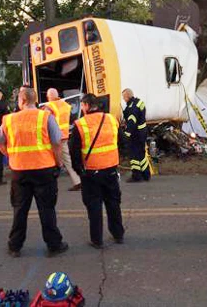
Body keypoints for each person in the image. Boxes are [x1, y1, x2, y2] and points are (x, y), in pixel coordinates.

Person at [0, 87, 68, 258]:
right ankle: (54, 244)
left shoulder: (9, 119)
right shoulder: (45, 117)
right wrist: (58, 161)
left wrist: (11, 155)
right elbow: (57, 141)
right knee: (47, 209)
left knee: (20, 209)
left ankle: (15, 246)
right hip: (44, 169)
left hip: (20, 170)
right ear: (34, 100)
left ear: (22, 101)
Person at [70, 94, 124, 248]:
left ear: (86, 105)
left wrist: (79, 170)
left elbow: (74, 152)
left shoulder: (80, 125)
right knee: (113, 203)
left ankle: (97, 240)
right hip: (111, 169)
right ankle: (118, 234)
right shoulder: (112, 119)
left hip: (91, 172)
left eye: (82, 105)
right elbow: (120, 141)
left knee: (94, 206)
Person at [42, 88, 81, 191]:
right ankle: (77, 180)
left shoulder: (49, 106)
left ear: (49, 96)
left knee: (49, 158)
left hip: (53, 137)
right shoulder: (65, 105)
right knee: (66, 159)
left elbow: (44, 121)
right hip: (64, 135)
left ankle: (77, 181)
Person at [122, 88, 149, 182]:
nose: (123, 99)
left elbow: (131, 122)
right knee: (141, 154)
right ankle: (146, 174)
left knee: (134, 155)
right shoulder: (139, 102)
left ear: (127, 96)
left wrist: (126, 134)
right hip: (143, 132)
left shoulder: (131, 108)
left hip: (136, 134)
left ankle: (136, 176)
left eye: (124, 97)